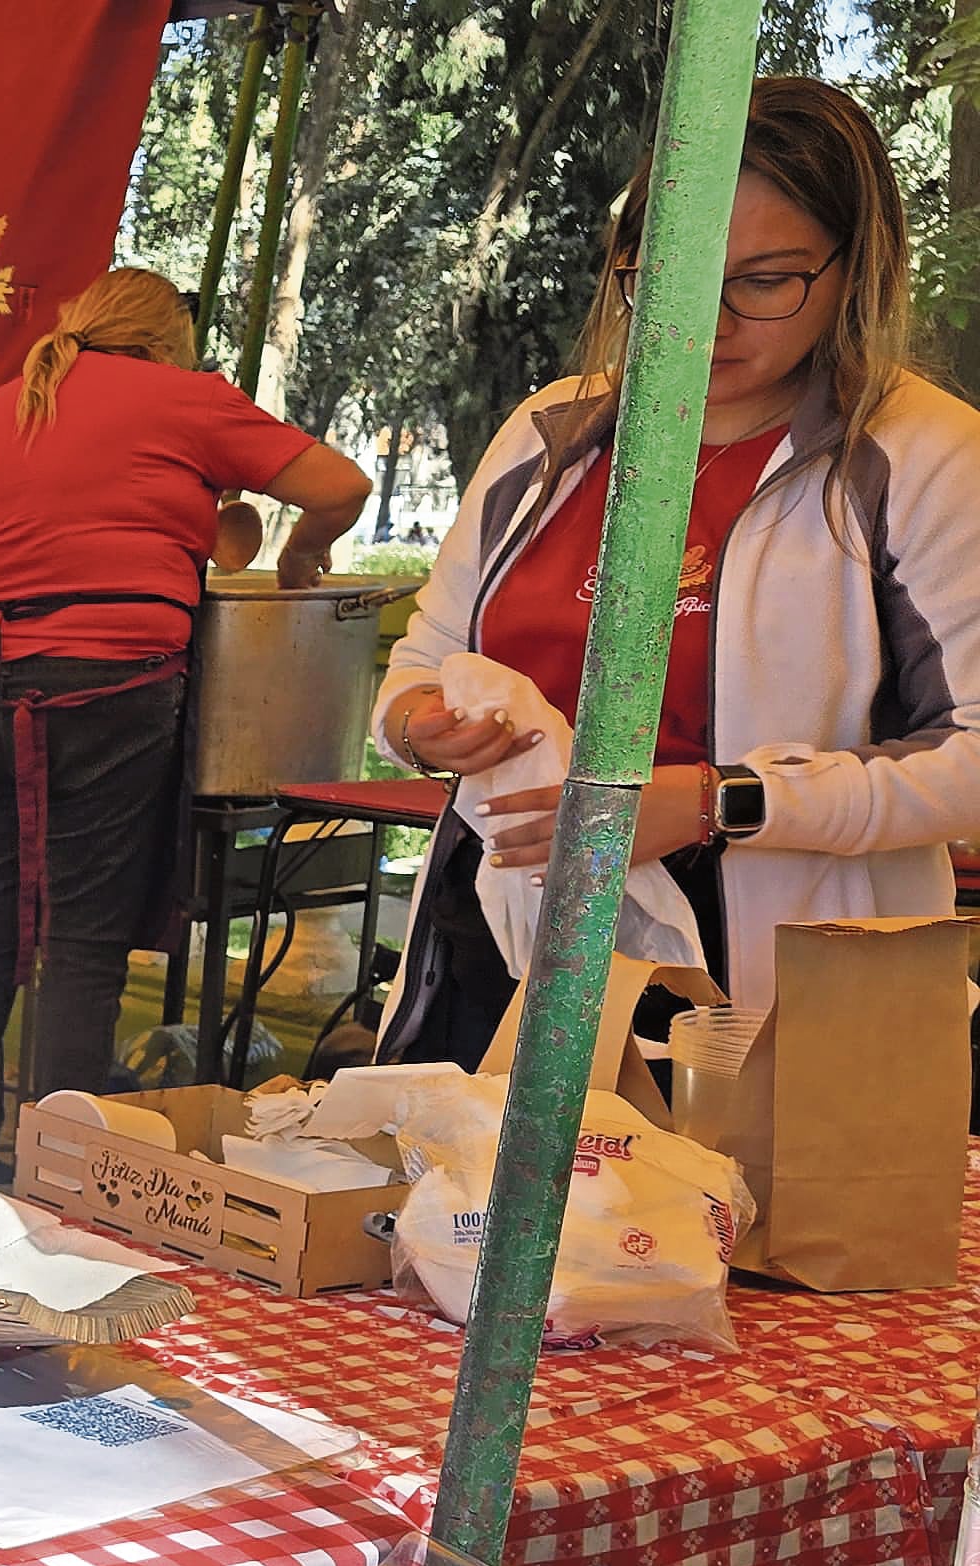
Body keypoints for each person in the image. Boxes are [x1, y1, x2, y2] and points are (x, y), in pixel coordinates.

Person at [375, 75, 980, 1051]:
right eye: (670, 272)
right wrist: (421, 725)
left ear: (855, 267)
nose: (709, 319)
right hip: (501, 937)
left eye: (765, 280)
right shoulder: (549, 432)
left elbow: (971, 755)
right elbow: (424, 658)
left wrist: (716, 803)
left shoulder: (923, 455)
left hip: (770, 975)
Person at [0, 269, 370, 1177]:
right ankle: (61, 1167)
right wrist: (299, 554)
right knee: (83, 932)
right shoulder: (186, 399)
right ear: (167, 341)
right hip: (112, 682)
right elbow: (340, 487)